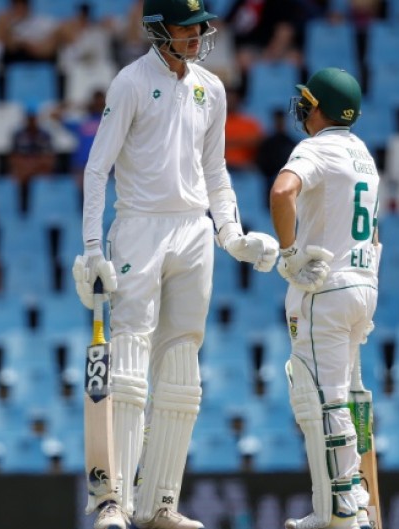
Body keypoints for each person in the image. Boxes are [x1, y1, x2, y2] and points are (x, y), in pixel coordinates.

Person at [72, 1, 278, 528]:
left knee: (183, 368)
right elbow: (97, 169)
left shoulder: (212, 87)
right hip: (140, 225)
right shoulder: (131, 82)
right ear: (159, 30)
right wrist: (94, 248)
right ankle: (110, 501)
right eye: (187, 27)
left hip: (194, 230)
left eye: (200, 26)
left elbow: (216, 170)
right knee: (131, 361)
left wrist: (231, 233)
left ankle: (159, 503)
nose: (198, 35)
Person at [269, 68, 378, 529]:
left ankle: (343, 511)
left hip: (324, 288)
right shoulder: (363, 155)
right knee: (341, 398)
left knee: (323, 400)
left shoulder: (316, 148)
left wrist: (290, 252)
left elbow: (282, 191)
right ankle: (337, 504)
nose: (302, 109)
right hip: (362, 286)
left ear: (320, 109)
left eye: (308, 101)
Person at [0, 0, 59, 65]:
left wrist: (31, 46)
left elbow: (53, 42)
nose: (19, 10)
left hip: (38, 56)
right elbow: (11, 46)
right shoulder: (8, 22)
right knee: (1, 20)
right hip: (15, 56)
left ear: (28, 7)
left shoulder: (42, 22)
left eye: (21, 6)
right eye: (16, 6)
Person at [9, 105, 56, 184]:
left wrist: (32, 168)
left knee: (48, 175)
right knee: (14, 176)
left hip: (40, 170)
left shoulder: (45, 136)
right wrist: (28, 168)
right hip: (23, 171)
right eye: (29, 118)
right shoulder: (18, 135)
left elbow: (49, 159)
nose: (32, 121)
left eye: (33, 118)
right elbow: (14, 158)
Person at [223, 89, 263, 171]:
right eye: (227, 99)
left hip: (245, 168)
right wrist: (241, 141)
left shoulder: (249, 123)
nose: (229, 102)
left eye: (232, 99)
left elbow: (257, 142)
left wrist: (228, 142)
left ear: (238, 100)